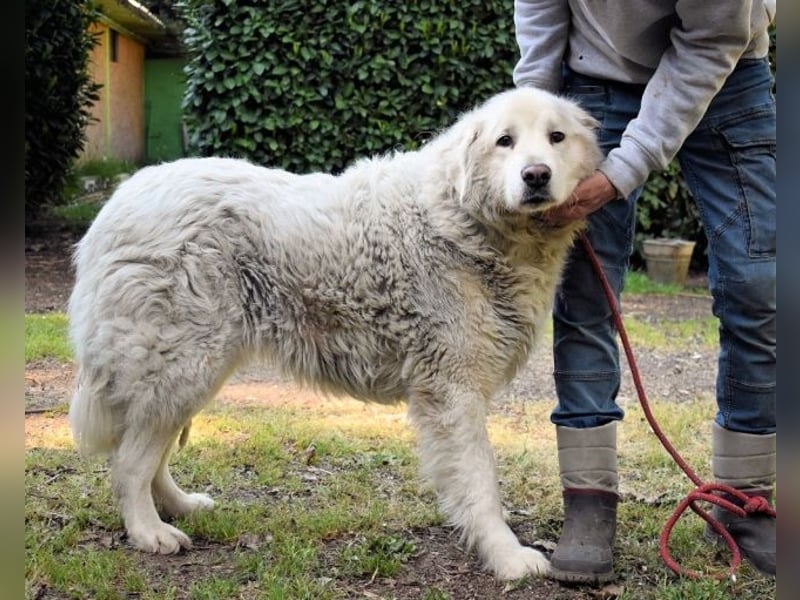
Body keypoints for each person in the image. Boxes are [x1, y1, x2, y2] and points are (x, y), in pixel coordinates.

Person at [512, 0, 776, 584]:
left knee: (762, 286)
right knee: (584, 295)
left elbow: (711, 39)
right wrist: (538, 126)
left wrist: (622, 170)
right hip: (595, 77)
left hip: (727, 71)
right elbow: (541, 19)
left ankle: (743, 499)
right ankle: (589, 499)